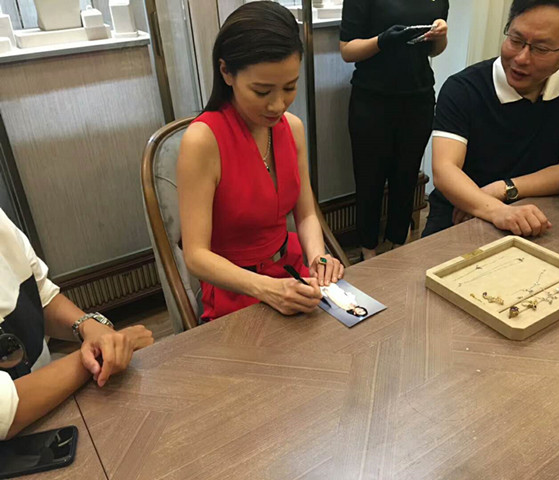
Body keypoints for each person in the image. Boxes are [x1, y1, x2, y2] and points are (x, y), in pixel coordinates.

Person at [178, 2, 345, 322]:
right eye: (262, 91)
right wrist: (267, 289)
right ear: (226, 72)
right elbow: (196, 256)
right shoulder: (203, 140)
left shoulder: (292, 129)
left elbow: (306, 213)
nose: (278, 105)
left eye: (289, 87)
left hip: (291, 270)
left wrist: (318, 257)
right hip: (237, 289)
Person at [422, 0, 559, 238]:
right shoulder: (463, 88)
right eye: (515, 40)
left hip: (534, 211)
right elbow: (445, 169)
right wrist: (496, 210)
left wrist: (504, 188)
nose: (521, 58)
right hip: (460, 213)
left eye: (541, 48)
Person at [0, 208, 154, 440]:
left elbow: (40, 296)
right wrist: (97, 356)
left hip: (54, 406)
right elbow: (5, 411)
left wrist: (90, 327)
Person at [340, 0, 449, 260]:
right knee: (369, 178)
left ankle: (399, 243)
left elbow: (433, 51)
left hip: (419, 97)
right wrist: (382, 41)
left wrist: (441, 36)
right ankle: (367, 249)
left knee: (407, 175)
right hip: (372, 100)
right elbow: (347, 50)